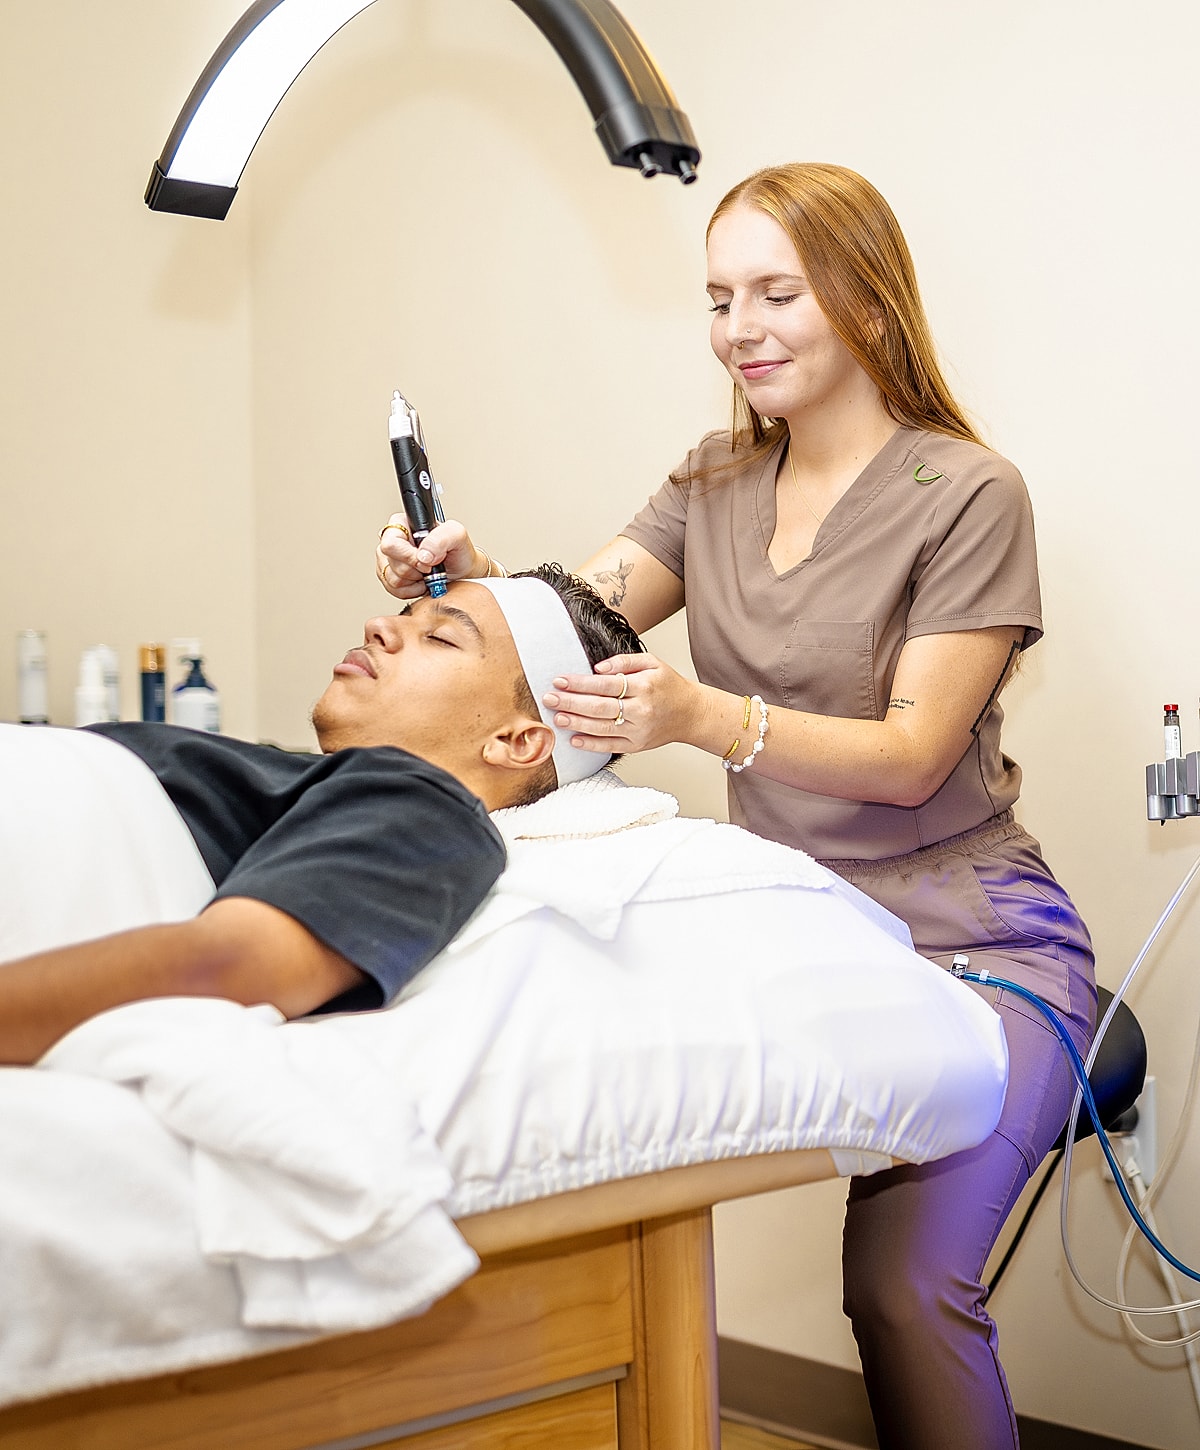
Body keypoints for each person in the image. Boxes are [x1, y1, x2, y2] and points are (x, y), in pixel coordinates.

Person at [376, 163, 1096, 1449]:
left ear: (867, 305)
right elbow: (572, 625)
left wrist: (710, 717)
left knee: (901, 1284)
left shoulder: (971, 493)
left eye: (777, 292)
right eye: (719, 299)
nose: (739, 328)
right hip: (801, 932)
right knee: (606, 1170)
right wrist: (468, 577)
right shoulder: (711, 482)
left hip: (976, 942)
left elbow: (917, 753)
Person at [0, 565, 643, 1068]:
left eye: (439, 636)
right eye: (405, 615)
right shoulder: (315, 785)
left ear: (516, 741)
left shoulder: (429, 810)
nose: (379, 627)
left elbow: (227, 965)